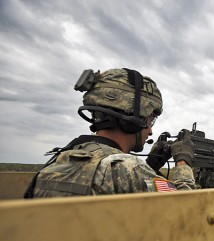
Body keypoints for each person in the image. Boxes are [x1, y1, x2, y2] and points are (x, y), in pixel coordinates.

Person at [24, 68, 196, 198]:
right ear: (133, 117)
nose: (150, 131)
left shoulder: (61, 158)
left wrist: (151, 163)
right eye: (150, 120)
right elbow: (184, 207)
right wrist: (182, 162)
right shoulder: (126, 167)